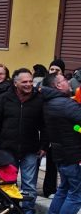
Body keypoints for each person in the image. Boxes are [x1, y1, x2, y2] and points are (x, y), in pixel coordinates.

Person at [0, 68, 47, 214]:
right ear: (16, 83)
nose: (29, 84)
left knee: (29, 185)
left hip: (31, 149)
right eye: (25, 82)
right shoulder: (5, 98)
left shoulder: (39, 99)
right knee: (8, 183)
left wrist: (44, 146)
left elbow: (45, 125)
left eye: (30, 81)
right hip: (7, 148)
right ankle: (10, 211)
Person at [40, 73, 81, 214]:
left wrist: (77, 127)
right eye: (64, 80)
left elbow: (75, 126)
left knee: (63, 189)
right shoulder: (66, 104)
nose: (68, 82)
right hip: (73, 154)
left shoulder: (51, 102)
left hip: (61, 153)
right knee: (76, 194)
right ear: (58, 85)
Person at [43, 59, 66, 198]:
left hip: (61, 133)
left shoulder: (66, 88)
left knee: (61, 165)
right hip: (45, 132)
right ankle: (49, 189)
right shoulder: (42, 86)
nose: (54, 72)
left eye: (57, 70)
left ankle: (61, 190)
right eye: (52, 69)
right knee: (48, 164)